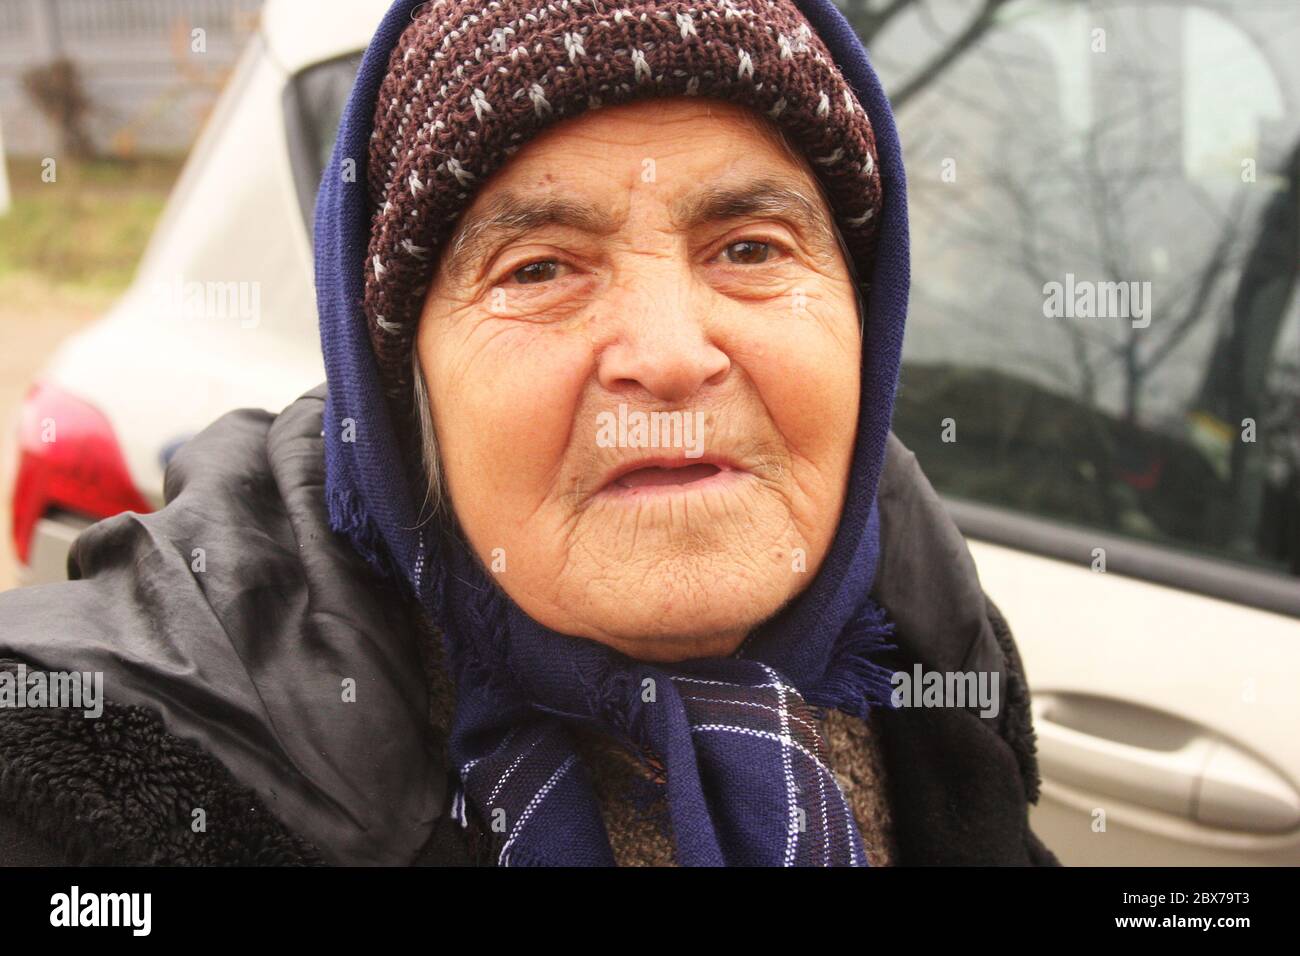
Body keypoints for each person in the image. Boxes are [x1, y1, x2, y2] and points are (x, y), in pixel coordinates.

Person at [0, 0, 1058, 867]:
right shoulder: (102, 759)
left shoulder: (932, 641)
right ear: (400, 383)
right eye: (539, 268)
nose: (669, 351)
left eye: (749, 246)